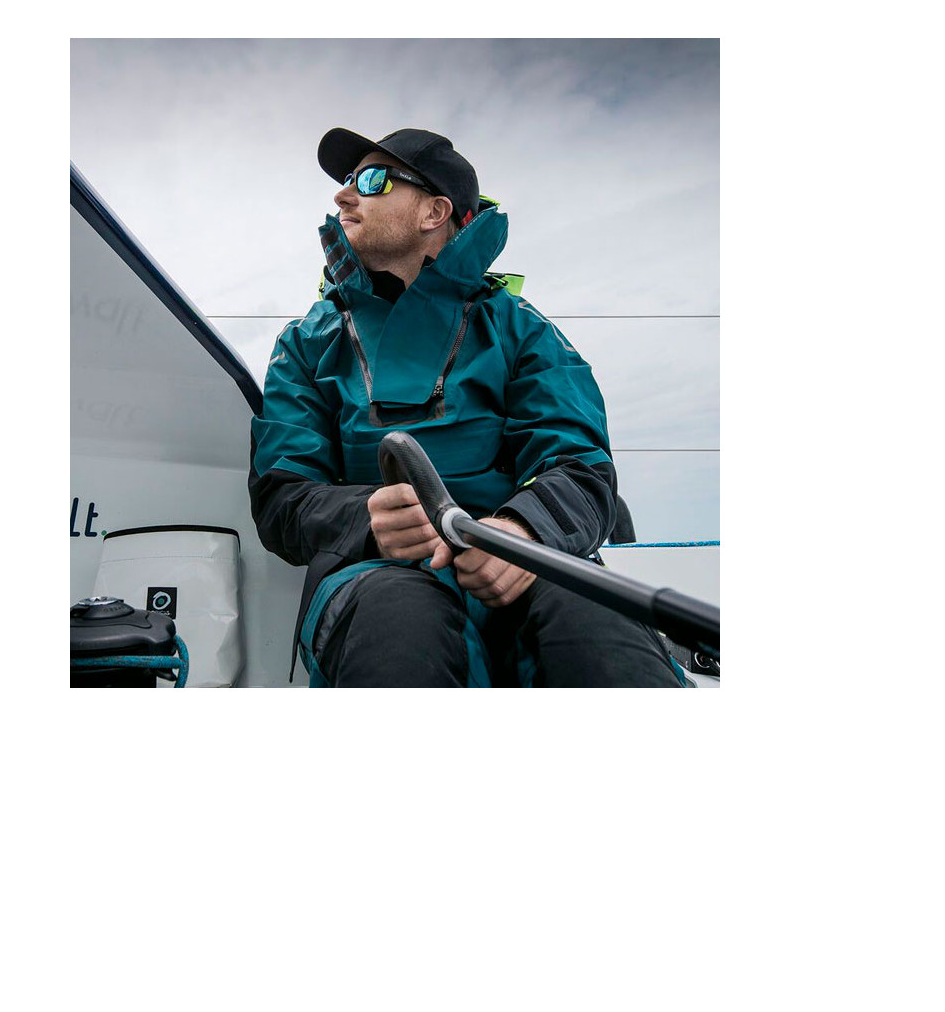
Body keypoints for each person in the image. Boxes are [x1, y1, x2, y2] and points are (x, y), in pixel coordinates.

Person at [248, 127, 681, 687]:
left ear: (434, 211)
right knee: (397, 627)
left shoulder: (523, 330)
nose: (343, 195)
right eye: (347, 180)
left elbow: (581, 466)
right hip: (373, 572)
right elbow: (282, 496)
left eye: (371, 180)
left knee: (598, 626)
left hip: (529, 560)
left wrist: (523, 534)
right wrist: (366, 518)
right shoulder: (305, 342)